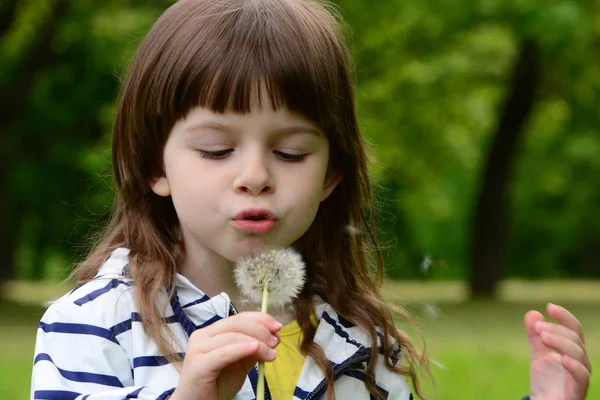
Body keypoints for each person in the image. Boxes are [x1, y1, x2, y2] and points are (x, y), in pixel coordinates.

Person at [30, 0, 592, 399]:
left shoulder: (359, 339)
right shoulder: (96, 325)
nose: (255, 176)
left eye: (292, 153)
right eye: (217, 149)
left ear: (331, 174)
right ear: (157, 166)